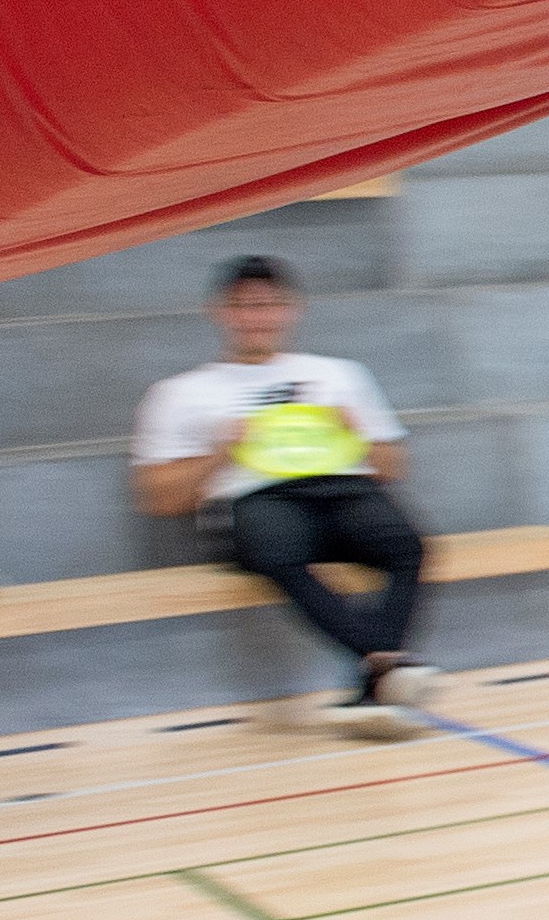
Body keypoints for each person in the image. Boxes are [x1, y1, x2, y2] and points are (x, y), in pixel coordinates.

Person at [131, 253, 439, 736]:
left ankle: (374, 682)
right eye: (245, 306)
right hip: (256, 500)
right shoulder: (180, 392)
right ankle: (386, 664)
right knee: (277, 545)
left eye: (270, 305)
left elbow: (392, 468)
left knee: (407, 545)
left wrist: (359, 437)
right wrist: (220, 453)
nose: (259, 318)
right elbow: (158, 498)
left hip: (343, 489)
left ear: (293, 309)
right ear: (220, 312)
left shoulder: (340, 375)